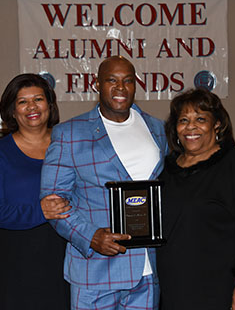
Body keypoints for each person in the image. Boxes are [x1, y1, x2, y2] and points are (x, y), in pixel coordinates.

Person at [40, 56, 169, 309]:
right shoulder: (69, 133)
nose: (120, 88)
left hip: (148, 272)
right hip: (94, 272)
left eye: (128, 81)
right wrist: (90, 237)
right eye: (112, 80)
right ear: (96, 84)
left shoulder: (158, 129)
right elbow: (54, 203)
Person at [157, 87, 235, 310]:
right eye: (183, 120)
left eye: (200, 119)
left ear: (217, 124)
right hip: (175, 289)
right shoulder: (166, 172)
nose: (190, 127)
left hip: (224, 289)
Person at [0, 73, 71, 310]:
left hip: (67, 264)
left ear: (50, 104)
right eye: (22, 101)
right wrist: (39, 211)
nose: (32, 106)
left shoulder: (69, 145)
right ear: (12, 110)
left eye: (38, 99)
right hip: (18, 267)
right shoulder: (0, 152)